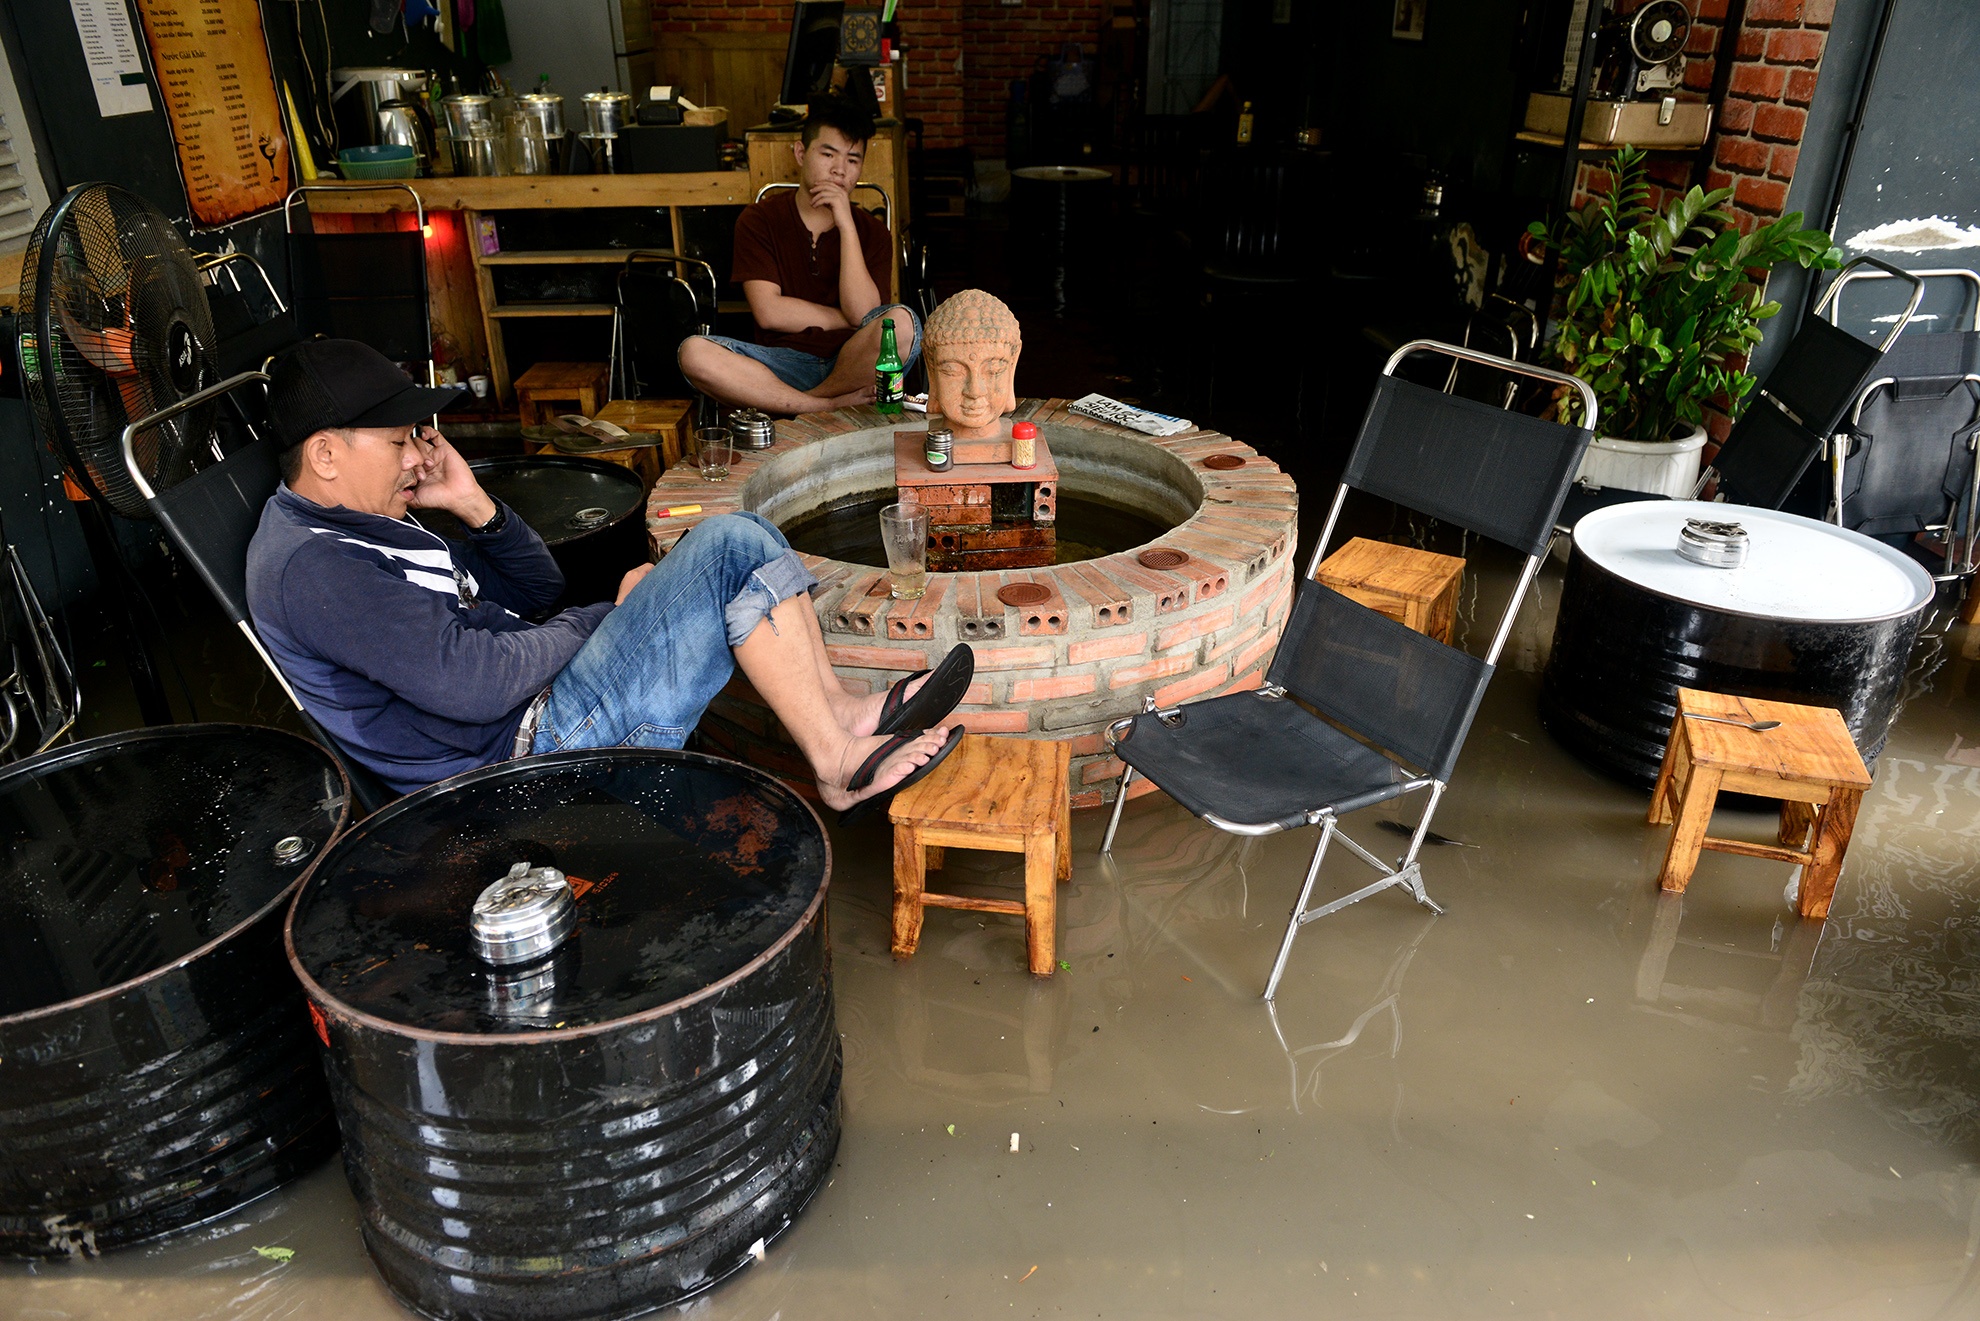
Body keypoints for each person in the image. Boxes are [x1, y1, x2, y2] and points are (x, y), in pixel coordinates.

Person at [244, 339, 971, 818]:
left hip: (531, 712)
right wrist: (602, 620)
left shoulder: (357, 517)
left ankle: (841, 717)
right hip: (518, 768)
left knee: (747, 534)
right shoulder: (318, 569)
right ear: (327, 454)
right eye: (400, 442)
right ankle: (838, 766)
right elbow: (476, 684)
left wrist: (472, 504)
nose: (416, 456)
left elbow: (536, 591)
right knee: (723, 550)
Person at [678, 95, 919, 416]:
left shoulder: (871, 231)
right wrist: (842, 317)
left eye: (852, 160)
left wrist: (846, 224)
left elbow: (863, 315)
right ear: (801, 153)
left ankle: (801, 403)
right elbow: (769, 312)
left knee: (901, 324)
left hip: (850, 362)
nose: (839, 170)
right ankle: (826, 405)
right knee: (694, 352)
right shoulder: (759, 219)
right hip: (778, 364)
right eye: (828, 153)